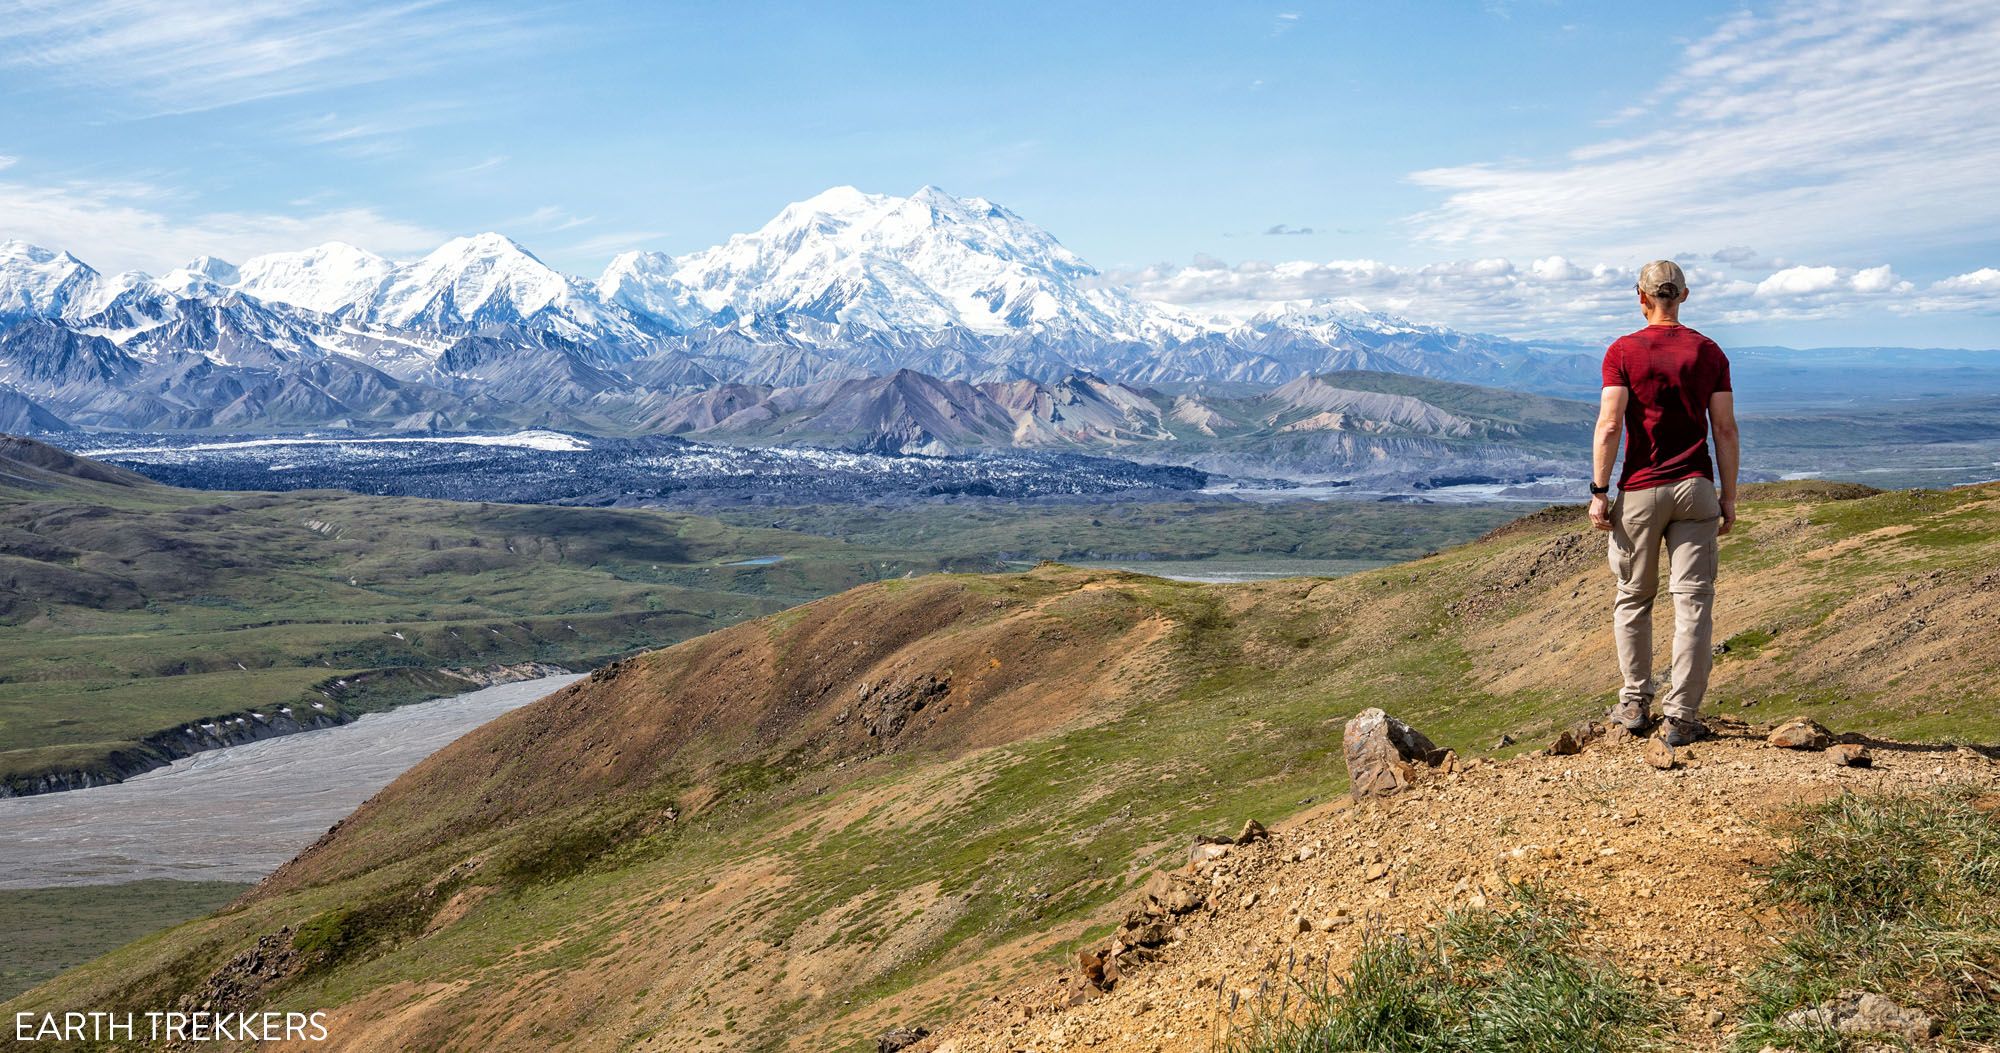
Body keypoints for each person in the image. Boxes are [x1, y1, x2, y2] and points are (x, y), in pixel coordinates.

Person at [1588, 259, 1740, 748]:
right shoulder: (1709, 352)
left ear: (1641, 296)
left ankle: (1634, 702)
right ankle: (1682, 715)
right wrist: (1729, 496)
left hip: (1641, 489)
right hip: (1696, 488)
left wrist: (1599, 491)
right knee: (1693, 603)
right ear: (1685, 295)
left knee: (1634, 598)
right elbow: (1725, 428)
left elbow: (1610, 424)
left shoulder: (1624, 350)